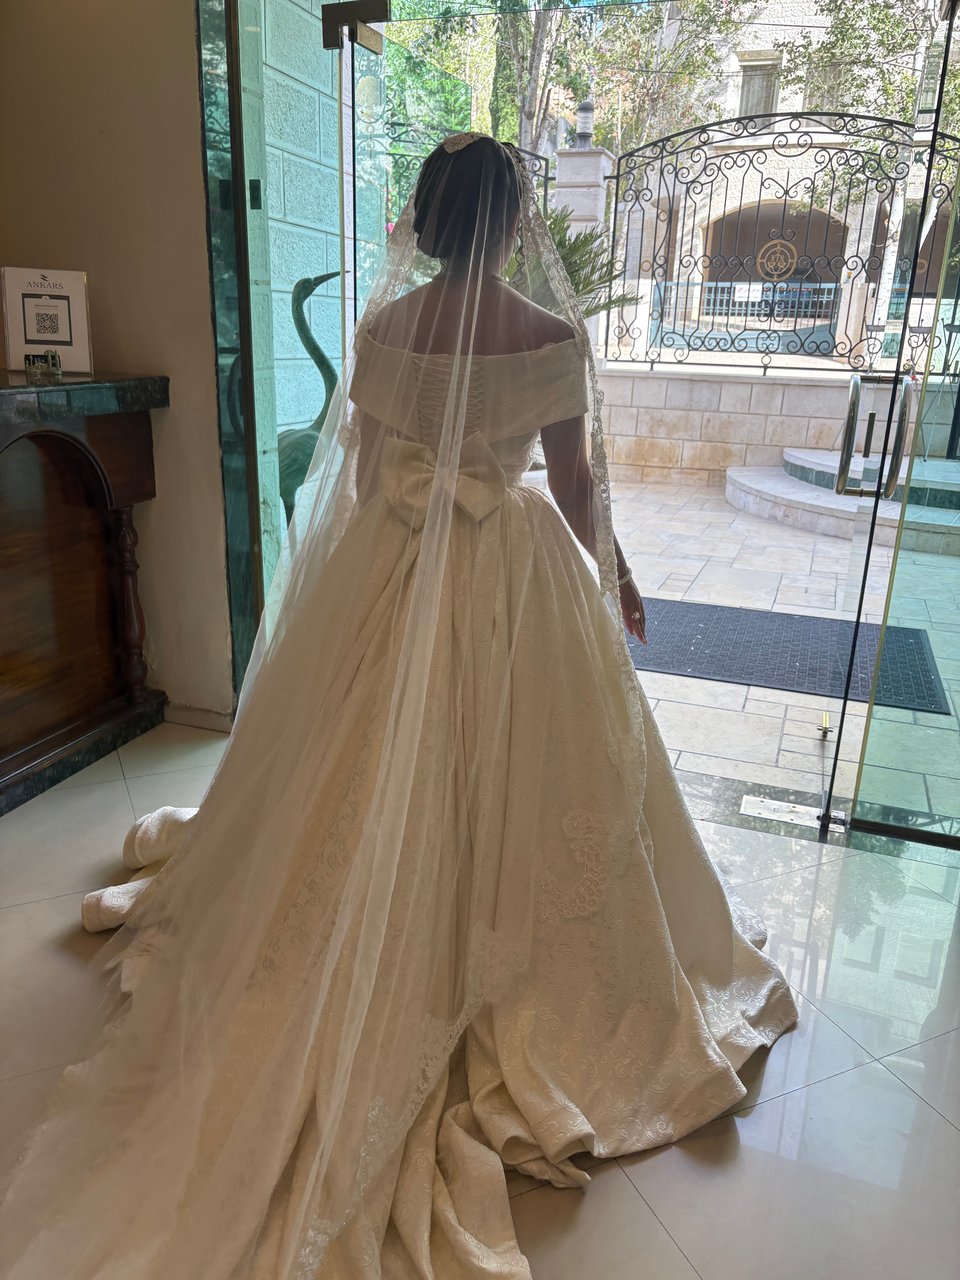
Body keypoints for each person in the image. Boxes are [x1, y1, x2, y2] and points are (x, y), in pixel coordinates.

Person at [0, 134, 796, 1279]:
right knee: (534, 770)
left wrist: (389, 573)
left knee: (363, 758)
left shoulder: (382, 332)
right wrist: (616, 576)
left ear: (424, 219)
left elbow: (370, 480)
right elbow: (574, 483)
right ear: (512, 222)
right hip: (517, 567)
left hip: (396, 557)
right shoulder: (551, 335)